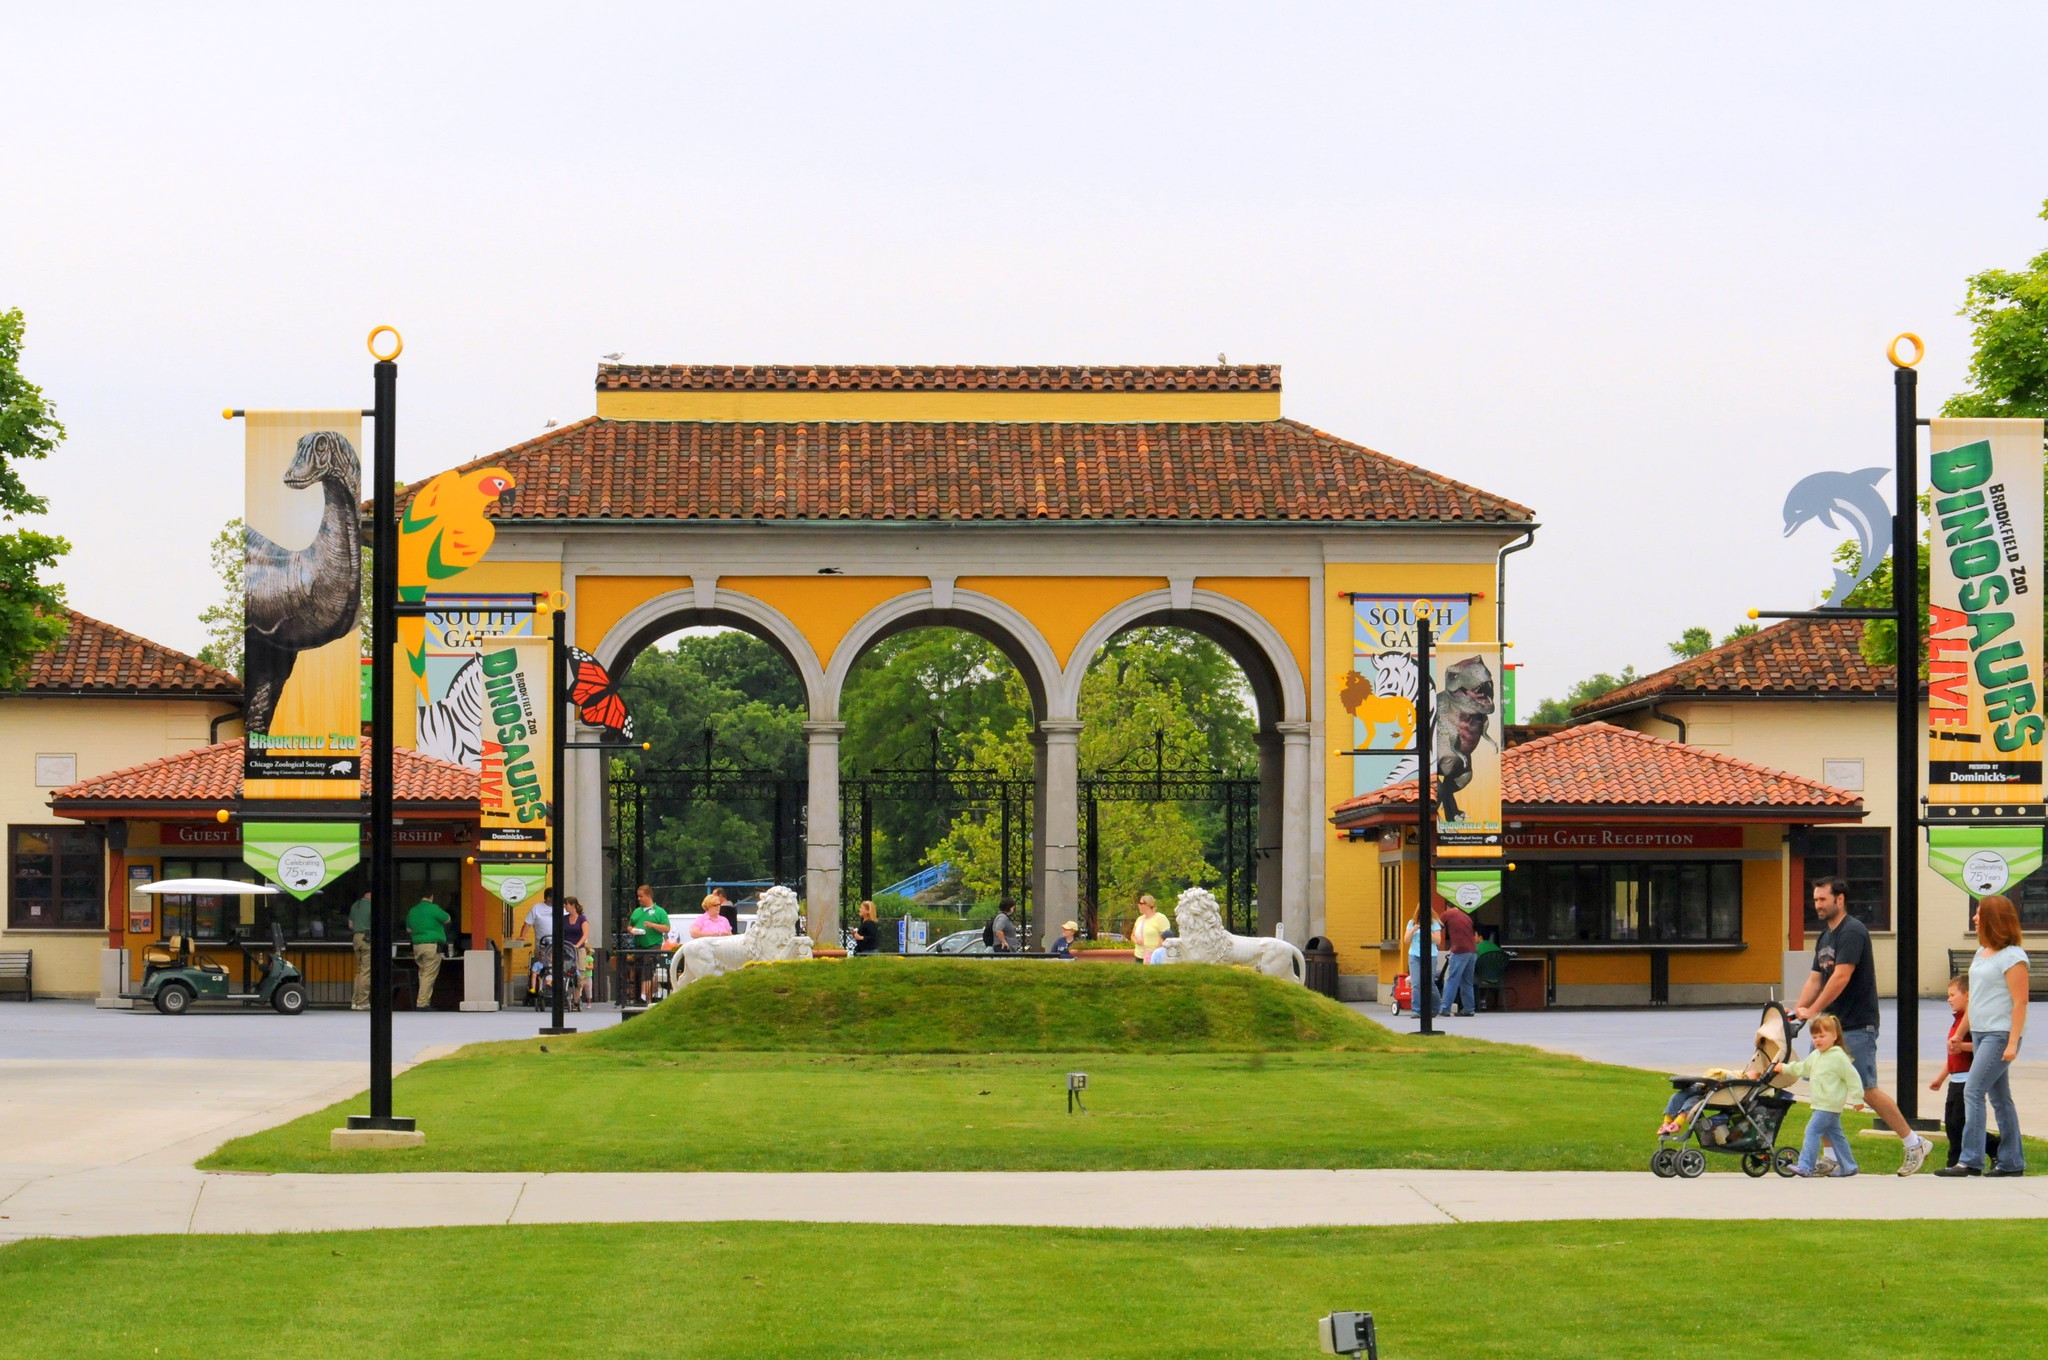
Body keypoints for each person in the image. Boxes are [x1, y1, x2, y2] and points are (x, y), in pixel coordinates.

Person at [1790, 876, 1934, 1175]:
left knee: (1867, 1089)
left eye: (1822, 900)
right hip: (1830, 1026)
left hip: (1856, 1024)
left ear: (1839, 900)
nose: (1816, 905)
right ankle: (1831, 1158)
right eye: (1815, 899)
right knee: (1824, 1090)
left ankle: (1914, 1142)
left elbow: (1841, 976)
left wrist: (1813, 1010)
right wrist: (1798, 1011)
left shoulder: (1852, 931)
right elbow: (1815, 978)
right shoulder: (1825, 936)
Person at [1935, 893, 2028, 1178]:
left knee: (1973, 1090)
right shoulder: (1981, 953)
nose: (1975, 918)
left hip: (2000, 1035)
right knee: (2001, 1100)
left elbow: (2020, 1002)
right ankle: (2012, 1162)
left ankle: (1970, 1160)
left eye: (1979, 914)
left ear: (1994, 919)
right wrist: (1960, 1033)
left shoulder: (2013, 957)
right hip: (1979, 1032)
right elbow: (1976, 1001)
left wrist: (2012, 1042)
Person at [1762, 1012, 1862, 1177]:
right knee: (1836, 1136)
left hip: (1829, 1104)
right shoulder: (1816, 1055)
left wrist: (1857, 1098)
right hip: (1822, 1104)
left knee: (1812, 1131)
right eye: (1814, 1037)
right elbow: (1802, 1068)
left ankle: (1805, 1166)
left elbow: (1853, 1078)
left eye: (1822, 1036)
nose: (1818, 1040)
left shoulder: (1838, 1057)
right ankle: (1849, 1167)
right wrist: (1784, 1068)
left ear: (1835, 1036)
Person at [1928, 971, 2002, 1170]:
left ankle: (1994, 1147)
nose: (1949, 999)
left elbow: (1983, 1046)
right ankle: (1953, 1161)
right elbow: (1952, 1055)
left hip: (1970, 1077)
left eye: (1953, 995)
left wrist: (1963, 1046)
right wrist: (1940, 1078)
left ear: (1968, 995)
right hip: (1955, 1078)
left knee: (1962, 1122)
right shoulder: (1957, 1020)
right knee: (1952, 1124)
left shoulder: (1972, 1021)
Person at [405, 892, 451, 1010]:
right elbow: (447, 919)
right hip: (431, 945)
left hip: (417, 946)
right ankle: (422, 1003)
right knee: (429, 975)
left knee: (422, 973)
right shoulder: (434, 908)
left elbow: (409, 929)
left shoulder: (412, 910)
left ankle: (422, 1000)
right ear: (432, 896)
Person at [628, 884, 670, 1003]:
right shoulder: (637, 911)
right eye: (638, 896)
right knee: (638, 969)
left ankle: (643, 996)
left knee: (647, 968)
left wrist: (653, 925)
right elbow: (630, 924)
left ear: (648, 896)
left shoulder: (660, 912)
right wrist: (631, 930)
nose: (639, 899)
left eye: (641, 896)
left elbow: (667, 928)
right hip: (639, 944)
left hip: (653, 945)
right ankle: (647, 994)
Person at [1438, 896, 1478, 1017]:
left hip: (1460, 951)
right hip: (1472, 951)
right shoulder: (1466, 916)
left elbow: (1436, 927)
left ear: (1448, 907)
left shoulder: (1448, 914)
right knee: (1467, 982)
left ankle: (1445, 1008)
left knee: (1452, 980)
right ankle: (1469, 1009)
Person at [1401, 900, 1443, 1014]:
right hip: (1414, 955)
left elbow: (1438, 941)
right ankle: (1416, 1010)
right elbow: (1406, 940)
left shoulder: (1434, 924)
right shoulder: (1412, 923)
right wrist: (1413, 930)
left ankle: (1436, 1007)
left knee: (1429, 983)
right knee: (1416, 983)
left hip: (1430, 955)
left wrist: (1427, 931)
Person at [561, 896, 592, 1007]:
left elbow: (585, 934)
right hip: (567, 948)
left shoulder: (582, 918)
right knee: (566, 971)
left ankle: (576, 999)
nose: (565, 907)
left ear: (572, 905)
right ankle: (566, 997)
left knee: (579, 973)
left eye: (566, 904)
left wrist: (577, 945)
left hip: (579, 949)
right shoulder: (564, 919)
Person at [348, 889, 372, 1011]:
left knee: (359, 970)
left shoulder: (355, 904)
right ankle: (363, 1002)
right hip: (368, 938)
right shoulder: (373, 905)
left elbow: (350, 925)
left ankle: (355, 1001)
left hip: (356, 938)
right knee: (366, 971)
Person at [1130, 894, 1170, 963]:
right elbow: (1132, 935)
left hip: (1153, 956)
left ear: (1147, 905)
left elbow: (1165, 938)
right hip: (1139, 956)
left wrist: (1155, 953)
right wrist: (1136, 941)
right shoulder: (1140, 919)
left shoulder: (1160, 918)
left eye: (1140, 903)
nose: (1138, 905)